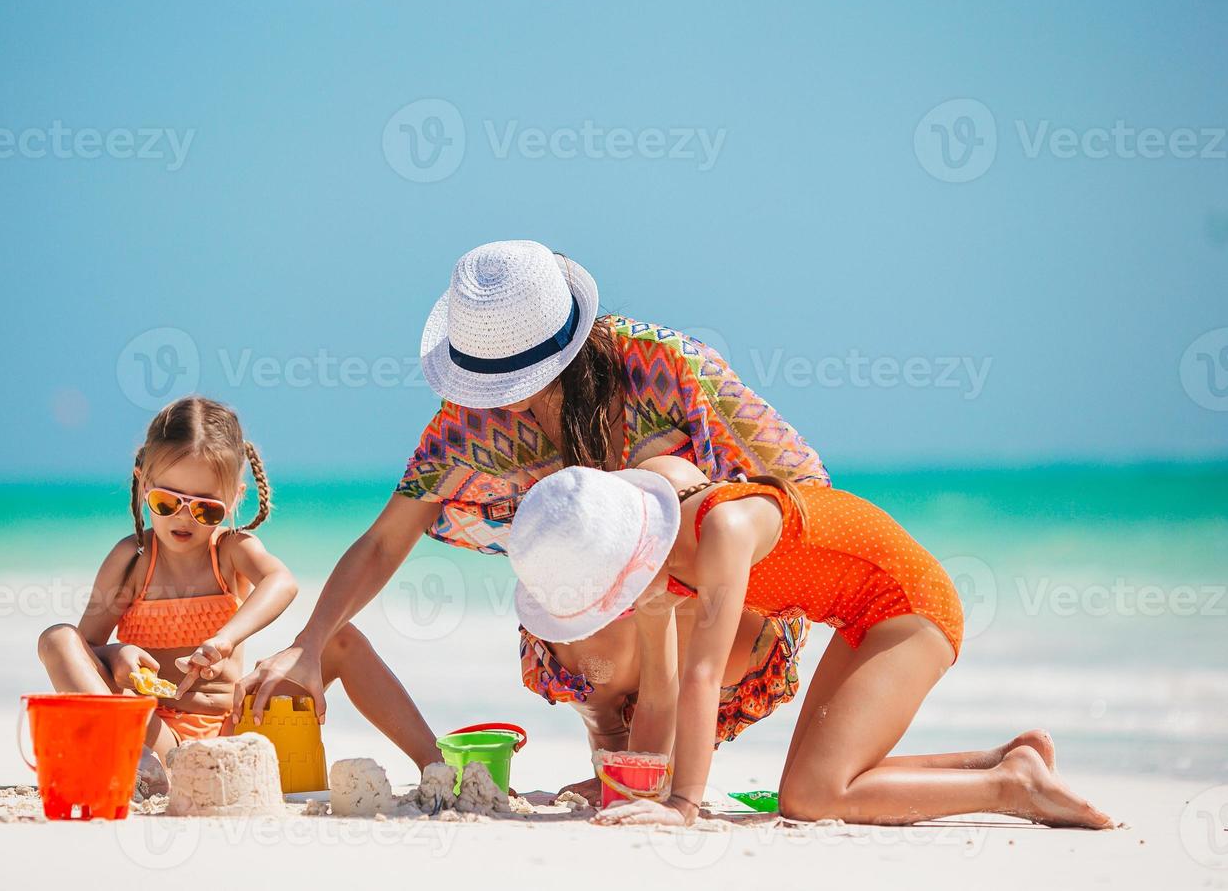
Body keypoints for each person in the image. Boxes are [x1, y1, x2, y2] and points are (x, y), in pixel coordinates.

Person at [235, 240, 827, 786]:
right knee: (568, 585)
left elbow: (801, 485)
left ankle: (659, 771)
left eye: (511, 376)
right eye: (483, 375)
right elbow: (386, 541)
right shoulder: (472, 419)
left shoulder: (664, 364)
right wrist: (309, 642)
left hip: (730, 616)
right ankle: (616, 751)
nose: (495, 394)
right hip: (602, 638)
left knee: (648, 538)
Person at [508, 458, 1113, 829]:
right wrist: (635, 787)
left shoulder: (723, 528)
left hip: (910, 606)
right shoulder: (658, 546)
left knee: (813, 796)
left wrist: (683, 804)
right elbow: (661, 691)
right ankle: (1000, 758)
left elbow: (700, 675)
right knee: (811, 783)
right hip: (859, 614)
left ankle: (1013, 788)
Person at [37, 396, 439, 791]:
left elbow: (281, 582)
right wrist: (116, 654)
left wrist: (225, 639)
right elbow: (85, 647)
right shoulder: (131, 560)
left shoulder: (229, 551)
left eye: (206, 509)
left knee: (342, 639)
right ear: (143, 481)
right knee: (56, 638)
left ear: (234, 498)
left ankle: (436, 766)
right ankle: (126, 755)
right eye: (166, 502)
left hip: (235, 727)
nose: (184, 518)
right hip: (154, 732)